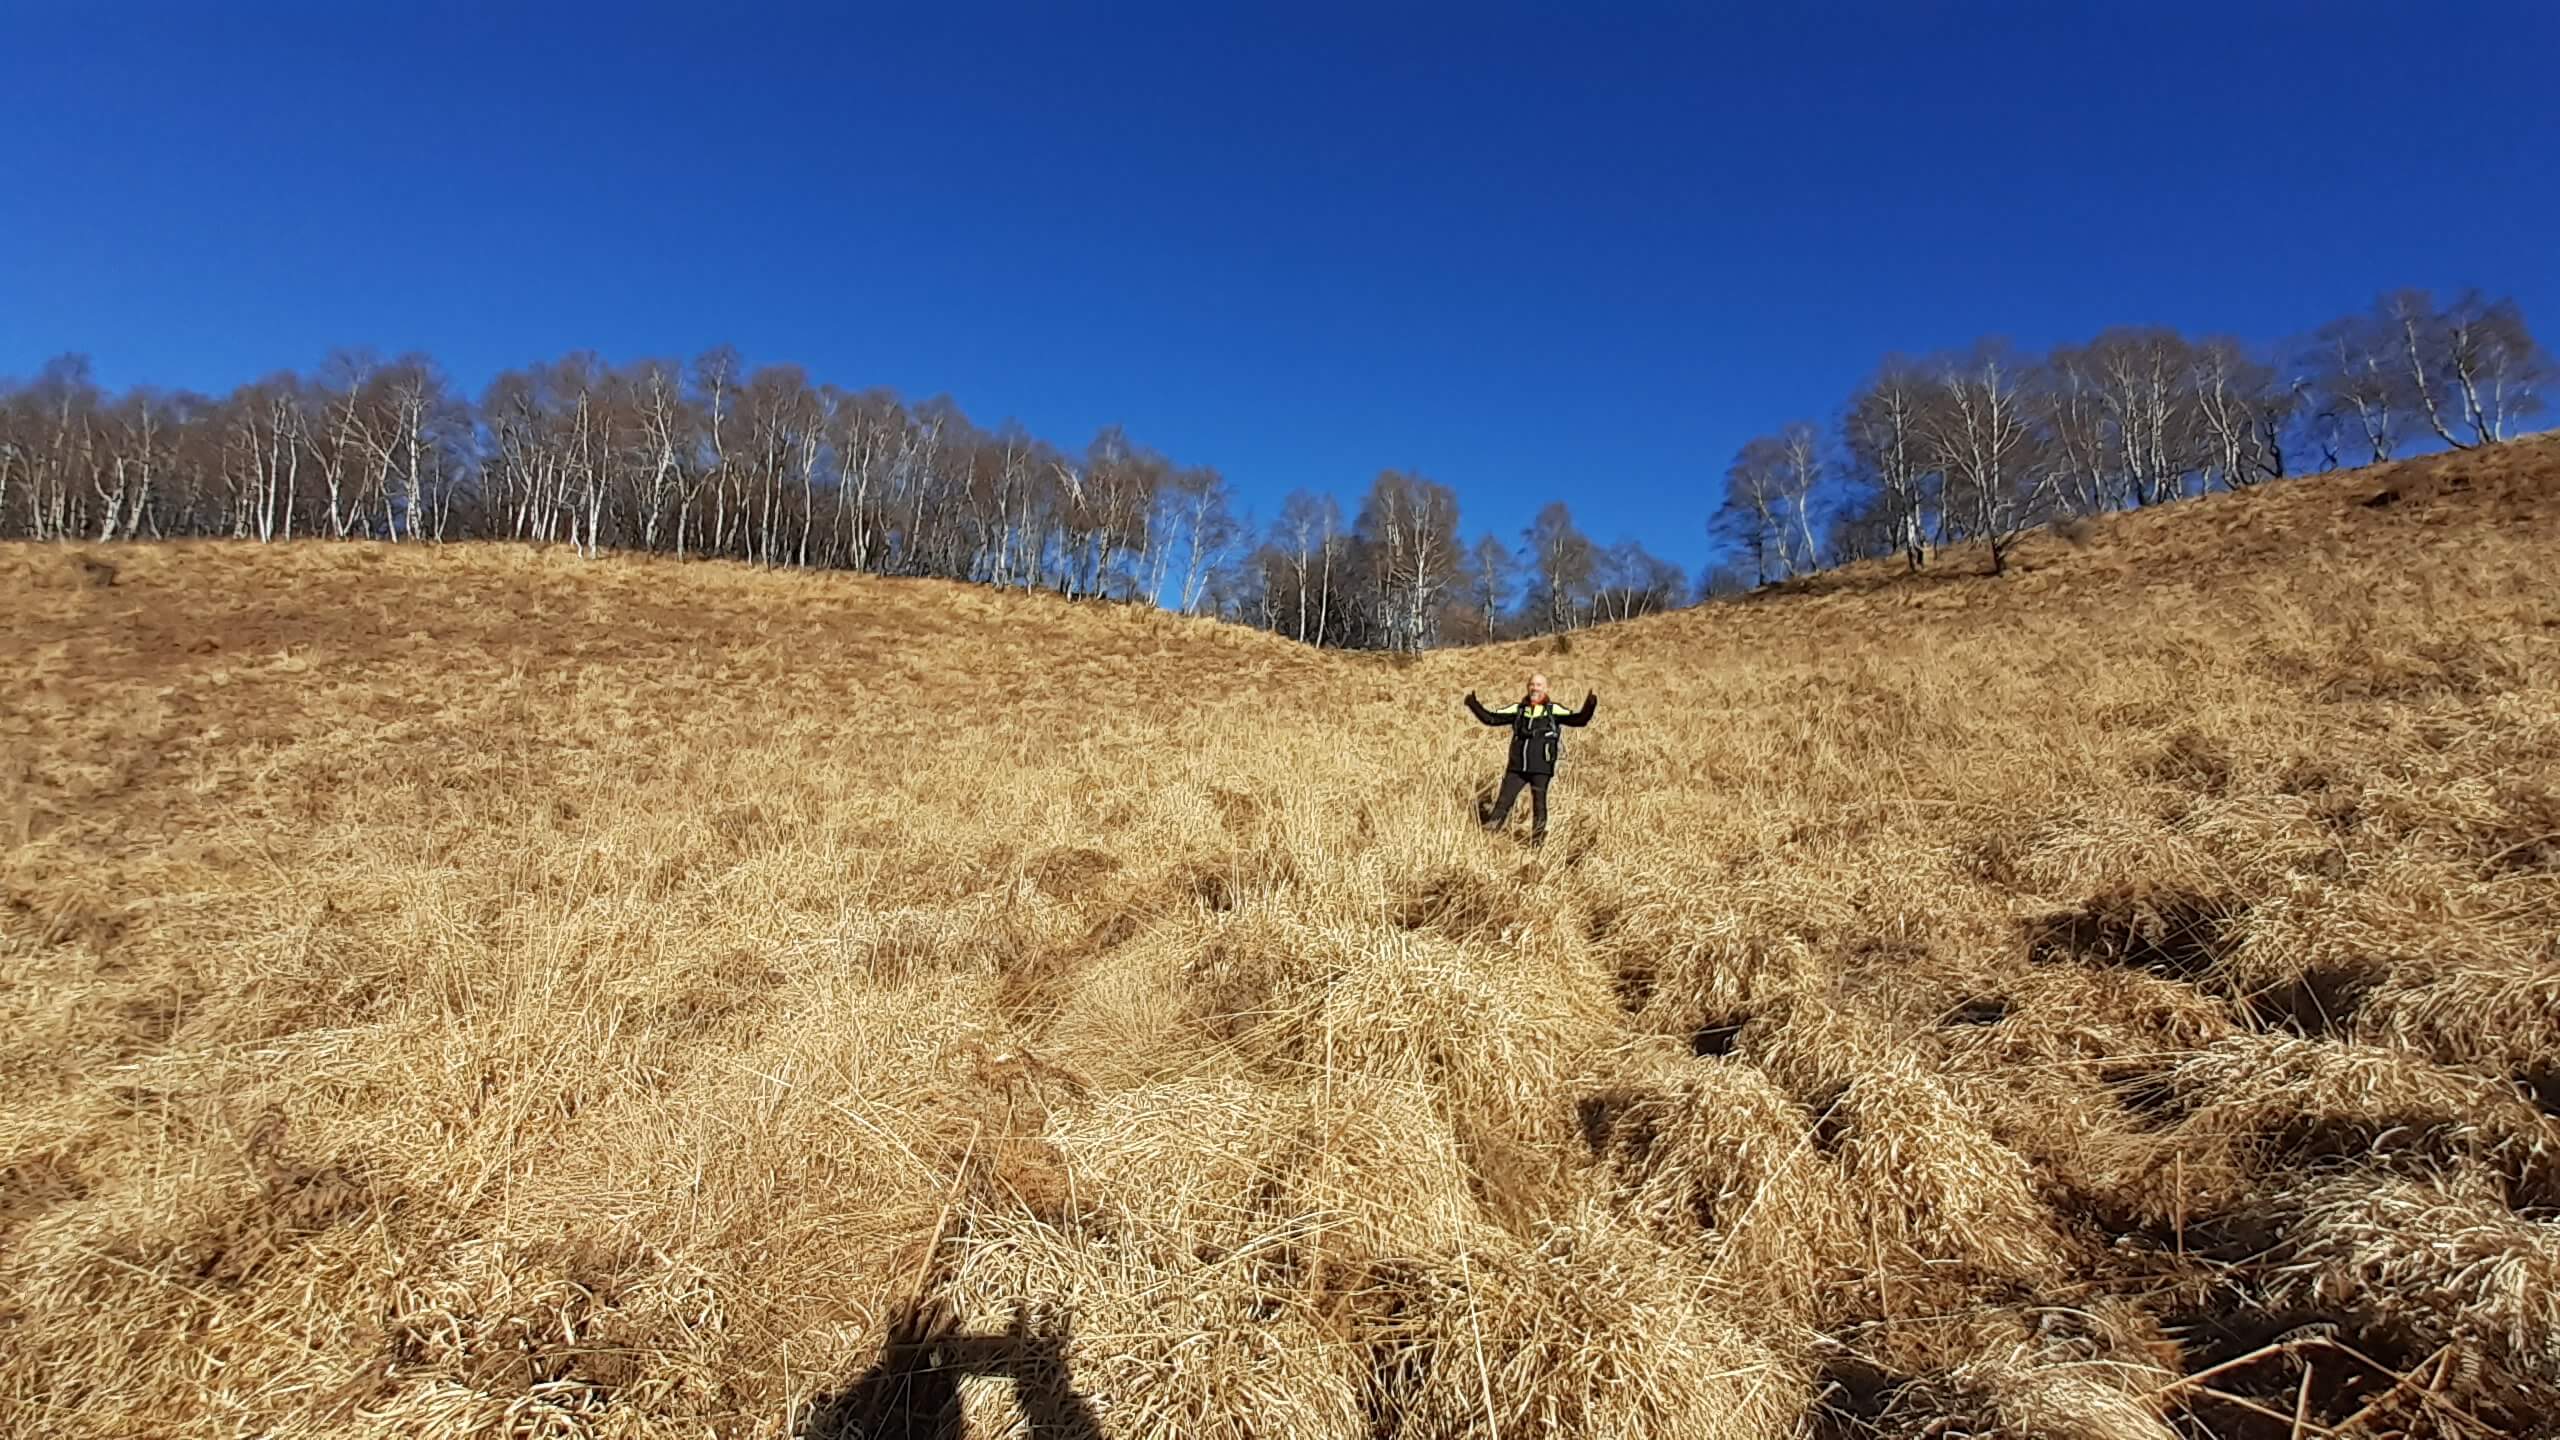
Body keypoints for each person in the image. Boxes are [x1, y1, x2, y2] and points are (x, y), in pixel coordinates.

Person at [1464, 672, 1597, 845]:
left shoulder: (1553, 710)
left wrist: (1590, 705)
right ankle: (1487, 840)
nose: (1535, 688)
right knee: (1502, 803)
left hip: (1541, 768)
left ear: (1546, 688)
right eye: (1532, 685)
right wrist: (1472, 703)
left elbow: (1579, 720)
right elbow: (1490, 719)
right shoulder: (1518, 709)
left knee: (1539, 806)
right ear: (1528, 687)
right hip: (1516, 767)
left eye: (1539, 685)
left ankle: (1536, 843)